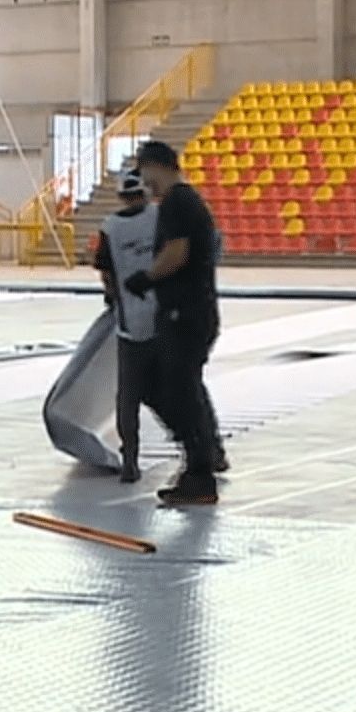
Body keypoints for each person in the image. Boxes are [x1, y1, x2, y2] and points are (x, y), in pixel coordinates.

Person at [123, 140, 222, 506]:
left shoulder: (178, 202)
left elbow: (176, 253)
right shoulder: (185, 201)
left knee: (168, 388)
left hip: (186, 314)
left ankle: (199, 466)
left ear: (157, 166)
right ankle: (199, 458)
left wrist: (147, 277)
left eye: (144, 170)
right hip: (191, 312)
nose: (143, 180)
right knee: (175, 388)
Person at [94, 170, 158, 484]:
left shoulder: (110, 228)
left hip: (130, 323)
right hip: (165, 320)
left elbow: (105, 273)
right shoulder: (160, 218)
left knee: (128, 395)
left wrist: (111, 298)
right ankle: (206, 451)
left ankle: (130, 457)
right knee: (181, 390)